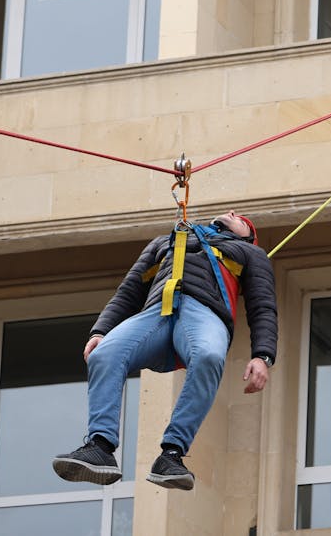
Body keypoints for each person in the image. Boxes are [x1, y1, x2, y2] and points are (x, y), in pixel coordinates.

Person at [52, 210, 278, 491]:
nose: (232, 214)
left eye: (243, 219)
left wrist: (263, 355)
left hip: (204, 315)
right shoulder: (167, 242)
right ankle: (100, 446)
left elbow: (262, 306)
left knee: (208, 355)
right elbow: (130, 291)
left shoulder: (250, 254)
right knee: (105, 354)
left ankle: (172, 453)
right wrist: (101, 331)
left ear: (250, 237)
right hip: (157, 314)